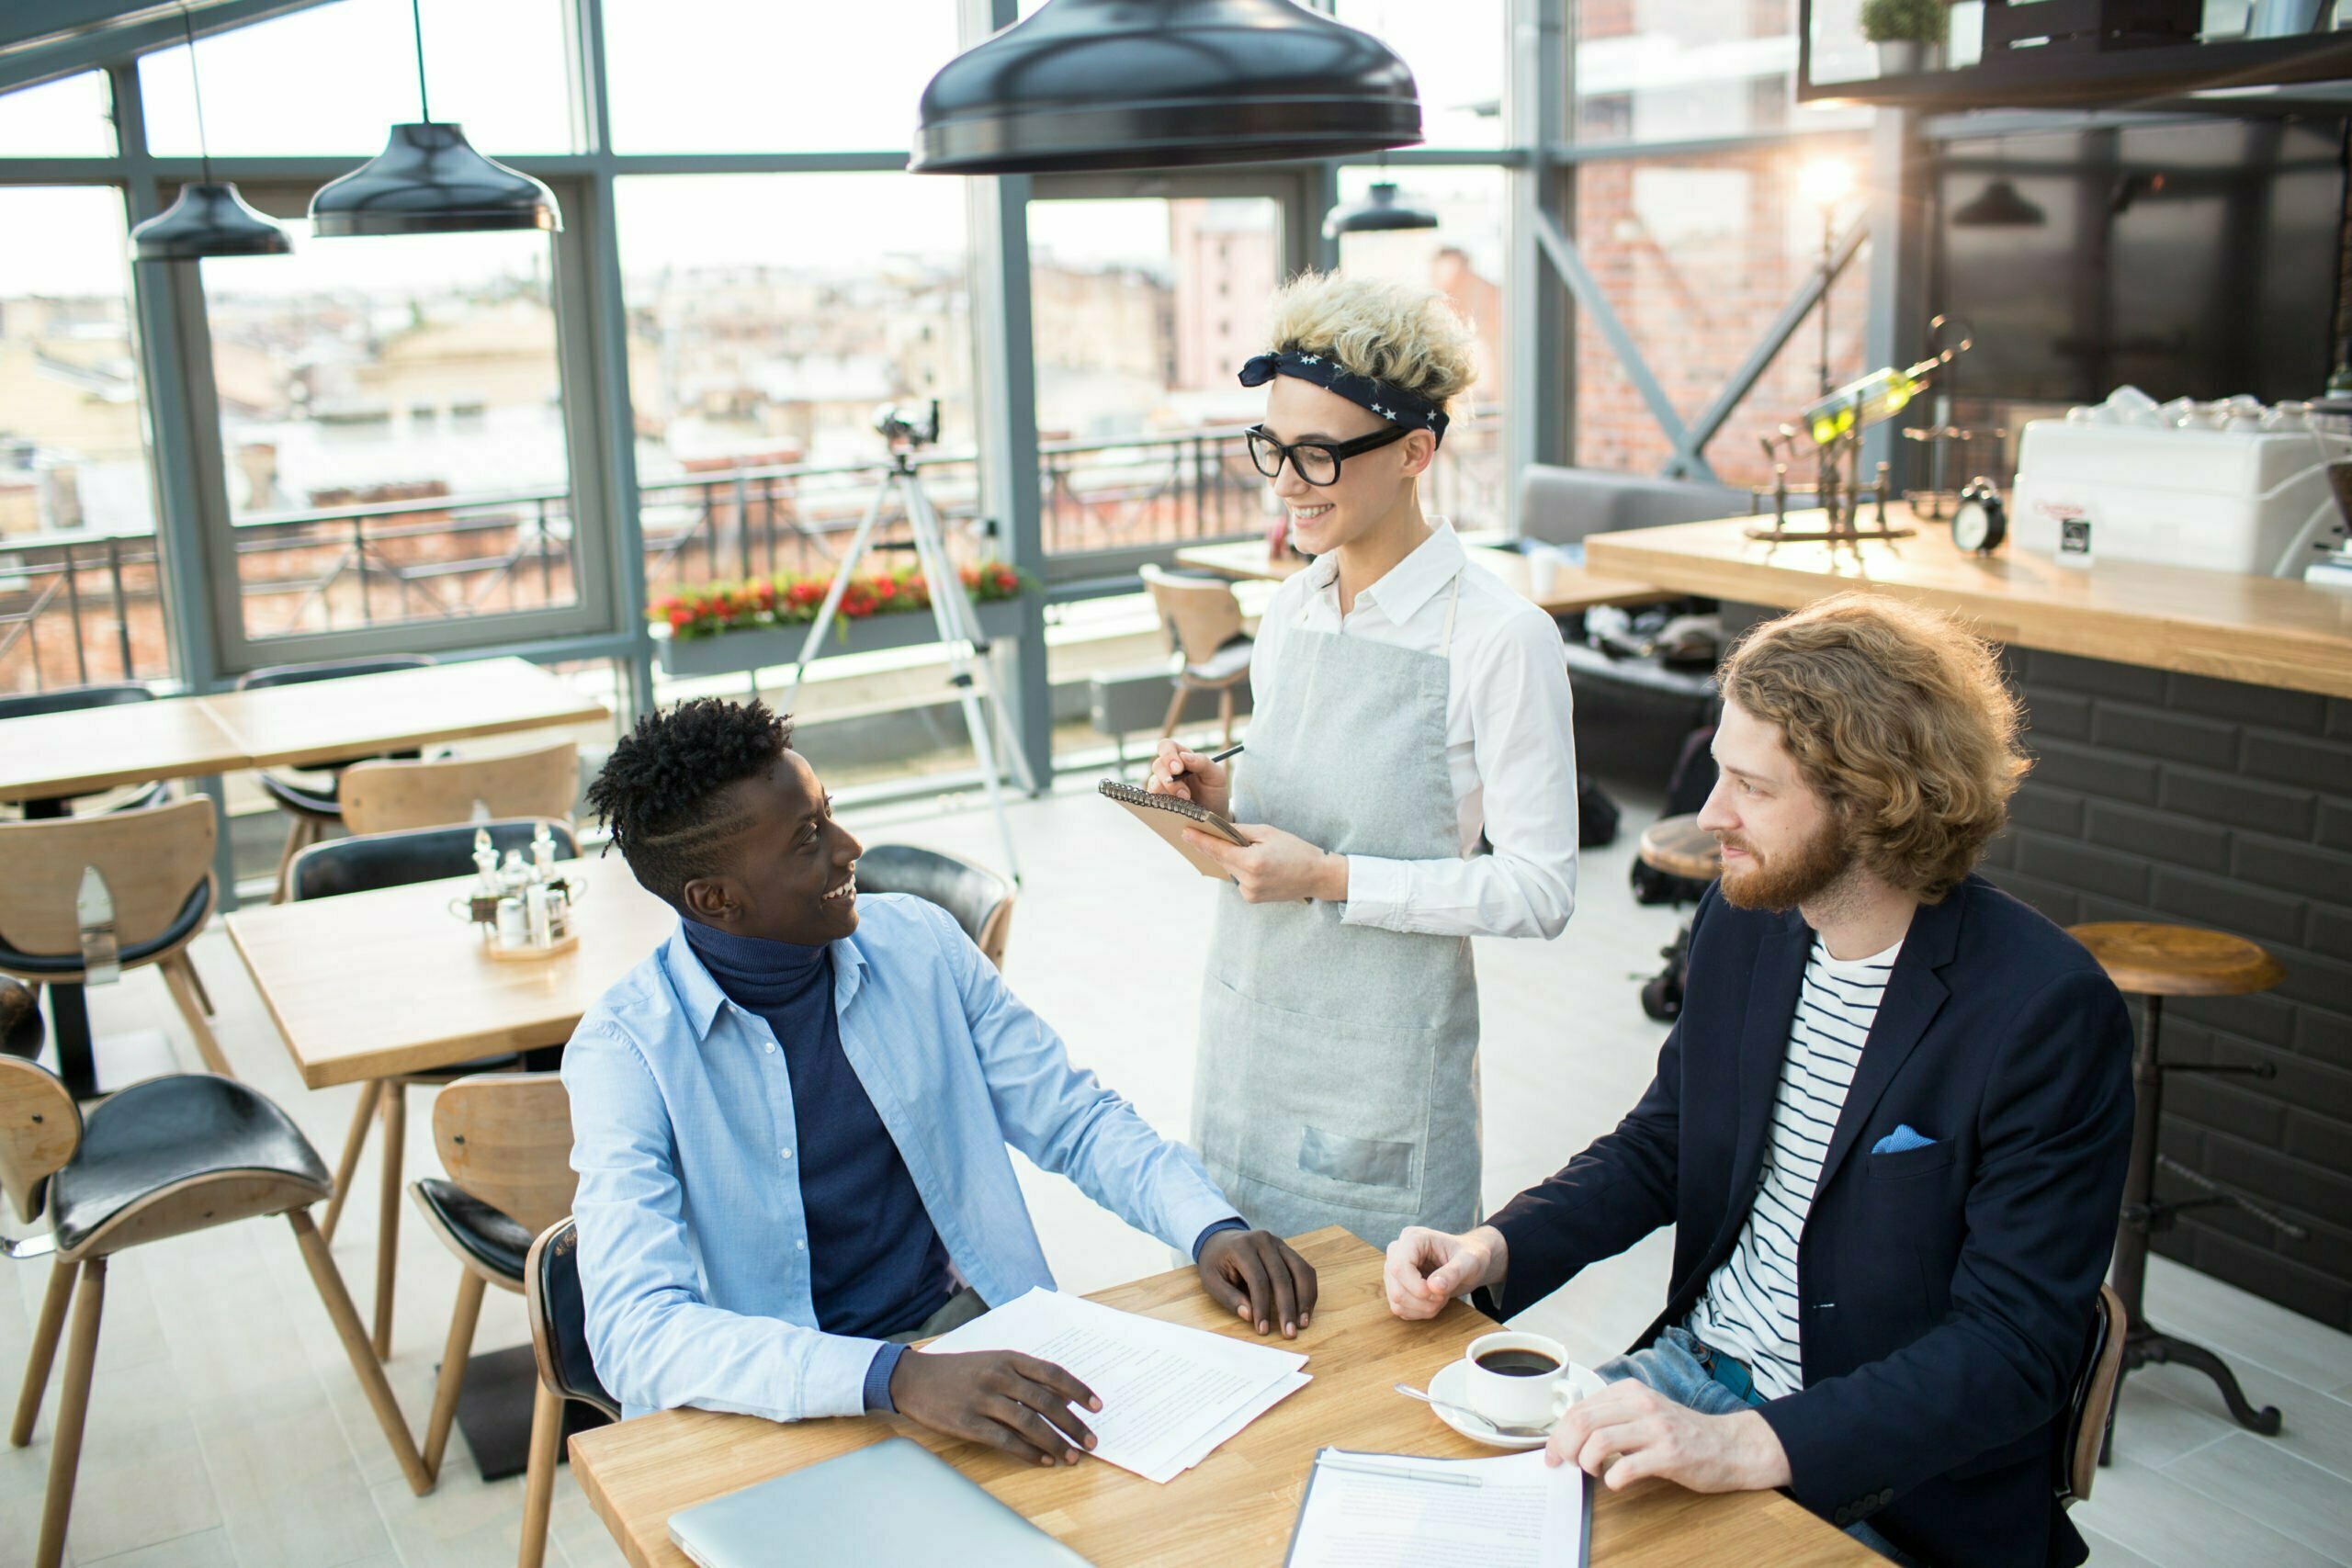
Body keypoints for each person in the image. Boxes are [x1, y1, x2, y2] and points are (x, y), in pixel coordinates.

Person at [1382, 593, 2134, 1567]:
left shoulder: (2045, 1012)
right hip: (1685, 1378)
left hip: (1883, 1476)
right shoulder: (1748, 920)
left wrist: (1748, 1443)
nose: (1709, 816)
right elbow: (1664, 1144)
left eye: (1751, 787)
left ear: (1870, 799)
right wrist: (1494, 1248)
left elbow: (2012, 1350)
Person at [565, 698, 1316, 1469]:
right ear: (714, 898)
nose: (850, 848)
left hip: (965, 1337)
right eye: (807, 840)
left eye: (830, 815)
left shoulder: (918, 944)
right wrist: (895, 1377)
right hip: (773, 1406)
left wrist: (1206, 1224)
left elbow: (1076, 1119)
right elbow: (635, 1331)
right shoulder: (625, 1051)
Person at [1148, 272, 1579, 1250]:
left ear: (1413, 452)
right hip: (1250, 1030)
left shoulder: (1500, 638)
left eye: (1318, 455)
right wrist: (1225, 795)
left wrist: (1332, 878)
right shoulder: (1294, 606)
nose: (1286, 484)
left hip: (1381, 1065)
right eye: (1273, 448)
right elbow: (1305, 795)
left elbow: (1540, 890)